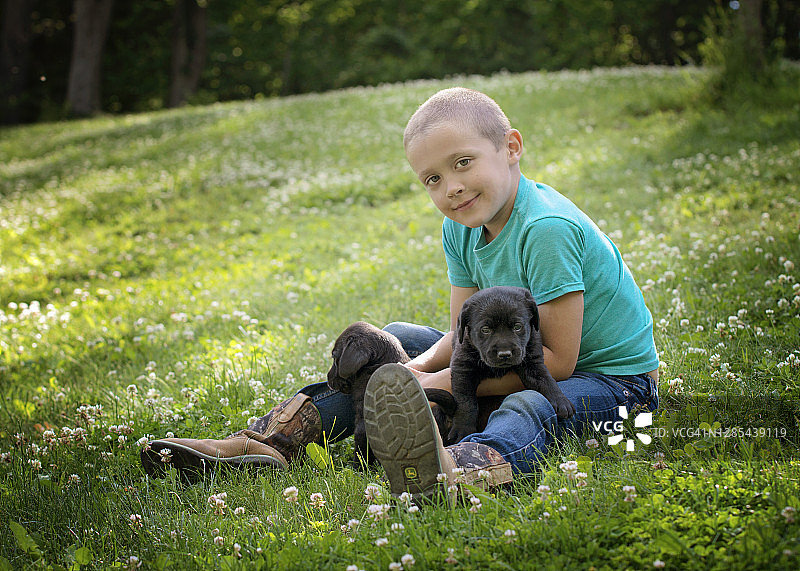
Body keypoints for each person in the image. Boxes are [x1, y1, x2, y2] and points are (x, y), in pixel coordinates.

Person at [141, 88, 659, 501]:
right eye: (433, 178)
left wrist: (429, 383)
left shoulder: (545, 229)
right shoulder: (461, 224)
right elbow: (463, 337)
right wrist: (413, 371)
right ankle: (270, 444)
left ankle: (462, 470)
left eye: (462, 163)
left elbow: (557, 362)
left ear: (511, 147)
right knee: (393, 342)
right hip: (511, 355)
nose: (451, 188)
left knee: (525, 401)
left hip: (611, 383)